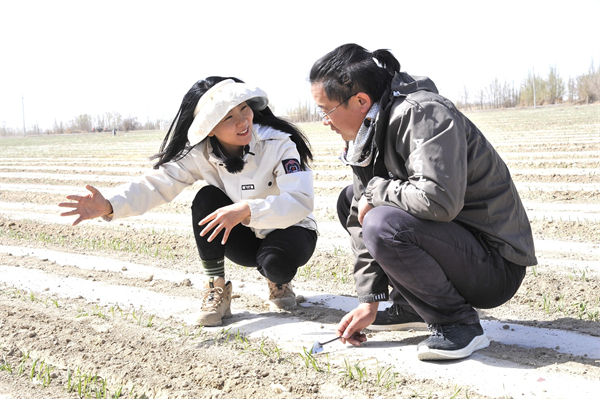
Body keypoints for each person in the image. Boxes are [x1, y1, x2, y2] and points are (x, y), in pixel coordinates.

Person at [309, 44, 537, 361]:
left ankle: (458, 324)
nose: (324, 121)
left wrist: (376, 191)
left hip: (494, 263)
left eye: (326, 110)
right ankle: (409, 305)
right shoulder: (367, 132)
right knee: (352, 201)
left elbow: (439, 200)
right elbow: (359, 215)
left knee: (380, 221)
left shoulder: (424, 114)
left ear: (361, 101)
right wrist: (369, 301)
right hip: (458, 247)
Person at [59, 76, 318, 326]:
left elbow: (300, 200)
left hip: (290, 228)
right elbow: (157, 184)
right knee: (206, 199)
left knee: (276, 265)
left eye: (243, 109)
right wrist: (110, 204)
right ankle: (216, 290)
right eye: (228, 117)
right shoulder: (199, 154)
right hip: (244, 238)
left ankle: (278, 282)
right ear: (210, 129)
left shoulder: (278, 142)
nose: (243, 121)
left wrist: (247, 209)